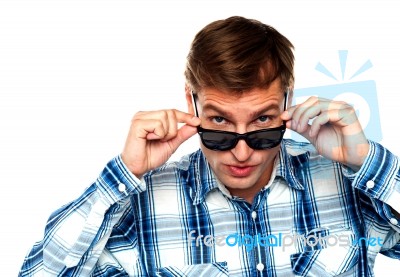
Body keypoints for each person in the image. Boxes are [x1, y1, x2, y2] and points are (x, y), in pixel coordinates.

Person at [19, 16, 400, 277]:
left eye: (262, 124)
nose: (241, 152)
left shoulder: (352, 183)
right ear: (192, 103)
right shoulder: (139, 204)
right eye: (219, 124)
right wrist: (124, 174)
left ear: (287, 101)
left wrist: (366, 161)